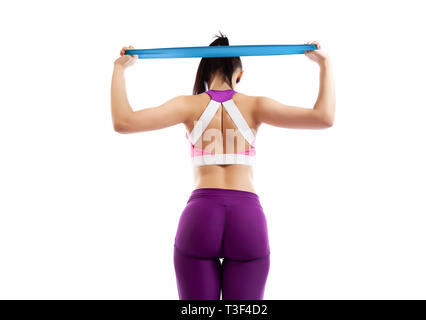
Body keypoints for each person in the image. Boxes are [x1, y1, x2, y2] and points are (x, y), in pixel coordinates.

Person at [111, 32, 335, 300]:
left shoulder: (188, 106)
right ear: (239, 75)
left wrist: (119, 69)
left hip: (201, 215)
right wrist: (324, 65)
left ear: (204, 71)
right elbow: (324, 117)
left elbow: (123, 122)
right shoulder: (256, 106)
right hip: (247, 218)